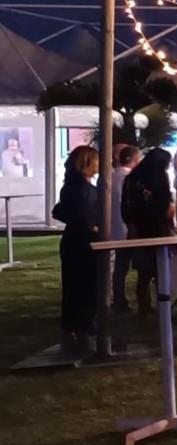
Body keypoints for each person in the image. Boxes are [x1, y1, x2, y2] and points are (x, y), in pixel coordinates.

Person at [52, 146, 99, 352]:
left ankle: (72, 326)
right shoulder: (84, 190)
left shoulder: (71, 186)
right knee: (85, 286)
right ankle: (83, 328)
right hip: (83, 243)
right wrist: (95, 227)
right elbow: (83, 217)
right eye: (96, 160)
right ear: (87, 163)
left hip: (72, 241)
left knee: (73, 286)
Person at [122, 148, 175, 315]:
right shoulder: (159, 178)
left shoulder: (132, 179)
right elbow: (165, 204)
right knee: (161, 268)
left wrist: (131, 224)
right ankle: (163, 302)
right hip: (158, 228)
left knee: (144, 271)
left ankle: (144, 304)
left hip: (139, 228)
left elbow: (126, 207)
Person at [108, 145, 138, 314]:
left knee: (117, 267)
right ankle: (120, 300)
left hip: (113, 226)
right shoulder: (129, 178)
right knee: (123, 266)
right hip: (127, 228)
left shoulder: (110, 177)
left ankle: (116, 298)